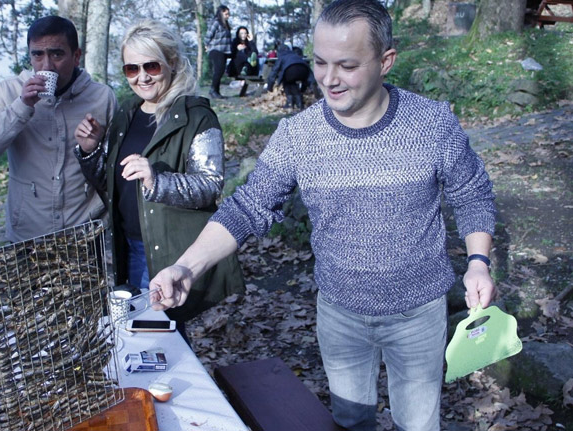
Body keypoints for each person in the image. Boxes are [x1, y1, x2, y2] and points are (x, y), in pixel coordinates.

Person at [148, 1, 497, 430]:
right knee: (350, 421)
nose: (329, 79)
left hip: (418, 314)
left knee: (419, 424)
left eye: (347, 65)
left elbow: (473, 193)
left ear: (386, 61)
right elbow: (248, 206)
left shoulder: (432, 124)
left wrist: (478, 262)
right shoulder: (298, 136)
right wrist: (187, 266)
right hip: (341, 314)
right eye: (319, 62)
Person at [75, 20, 244, 337]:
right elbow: (112, 187)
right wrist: (89, 151)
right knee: (144, 336)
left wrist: (157, 180)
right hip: (126, 247)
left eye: (150, 65)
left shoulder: (196, 116)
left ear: (173, 63)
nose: (141, 77)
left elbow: (210, 184)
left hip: (168, 251)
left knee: (157, 336)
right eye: (131, 69)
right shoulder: (126, 113)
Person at [0, 16, 117, 242]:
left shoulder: (100, 97)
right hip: (28, 233)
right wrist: (22, 106)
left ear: (76, 56)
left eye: (57, 54)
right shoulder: (8, 91)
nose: (46, 66)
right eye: (37, 55)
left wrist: (93, 150)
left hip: (85, 233)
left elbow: (114, 167)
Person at [267, 44, 312, 110]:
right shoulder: (296, 55)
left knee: (286, 81)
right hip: (304, 70)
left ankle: (290, 103)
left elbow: (274, 72)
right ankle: (299, 103)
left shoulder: (282, 57)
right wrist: (306, 86)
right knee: (292, 83)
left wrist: (270, 87)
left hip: (290, 71)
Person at [204, 5, 231, 99]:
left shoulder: (226, 24)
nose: (228, 16)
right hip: (216, 50)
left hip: (224, 51)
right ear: (221, 13)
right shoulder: (216, 23)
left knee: (221, 70)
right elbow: (208, 35)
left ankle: (217, 91)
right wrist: (206, 45)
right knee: (218, 70)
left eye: (228, 14)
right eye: (226, 14)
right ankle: (212, 90)